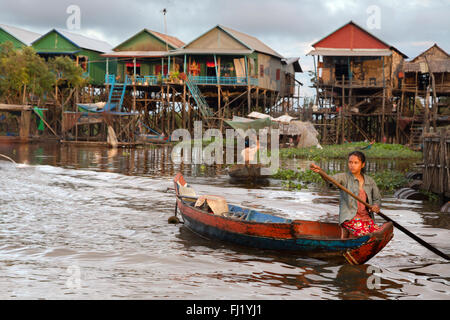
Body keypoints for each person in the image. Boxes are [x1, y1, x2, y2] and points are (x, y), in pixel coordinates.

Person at [310, 151, 381, 237]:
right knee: (366, 235)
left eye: (356, 163)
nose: (352, 165)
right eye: (350, 162)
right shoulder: (344, 177)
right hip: (350, 218)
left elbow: (377, 199)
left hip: (367, 218)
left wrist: (376, 206)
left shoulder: (370, 181)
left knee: (378, 234)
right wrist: (321, 172)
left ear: (362, 165)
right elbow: (330, 180)